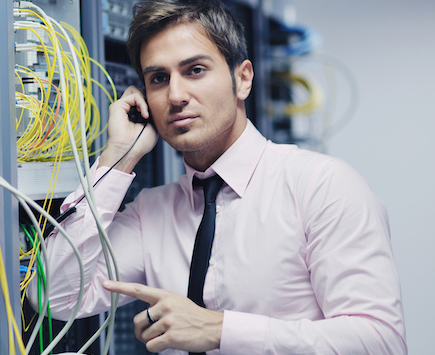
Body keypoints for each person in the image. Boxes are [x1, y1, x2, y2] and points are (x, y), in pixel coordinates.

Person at [29, 0, 406, 354]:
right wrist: (116, 159)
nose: (176, 95)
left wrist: (220, 330)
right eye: (158, 78)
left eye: (195, 70)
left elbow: (380, 340)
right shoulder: (152, 212)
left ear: (242, 79)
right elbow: (56, 296)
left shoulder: (321, 186)